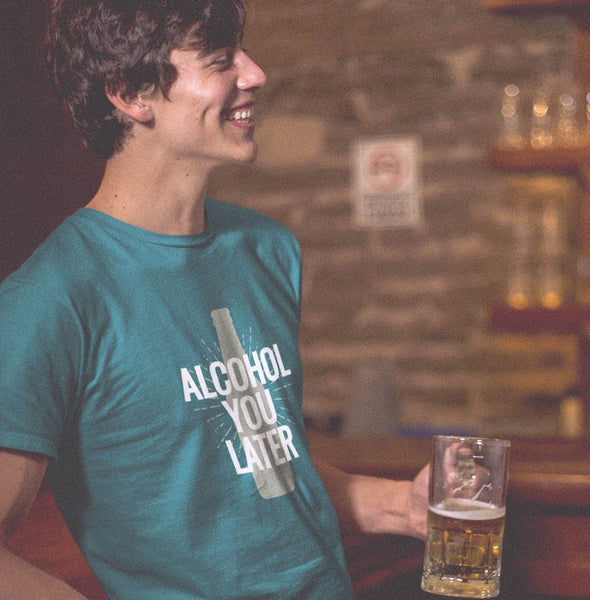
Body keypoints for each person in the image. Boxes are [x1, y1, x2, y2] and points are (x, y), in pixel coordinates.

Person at [0, 1, 430, 598]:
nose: (254, 74)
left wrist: (398, 507)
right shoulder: (49, 301)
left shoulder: (268, 249)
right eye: (221, 60)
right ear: (130, 94)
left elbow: (264, 465)